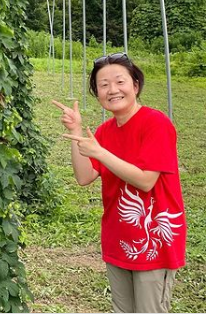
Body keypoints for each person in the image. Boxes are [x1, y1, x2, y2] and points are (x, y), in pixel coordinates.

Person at [52, 52, 186, 313]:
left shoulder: (156, 123)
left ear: (135, 85)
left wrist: (101, 153)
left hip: (154, 243)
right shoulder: (104, 132)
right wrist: (76, 132)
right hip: (119, 240)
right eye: (103, 85)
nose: (112, 90)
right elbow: (84, 177)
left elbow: (146, 181)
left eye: (120, 82)